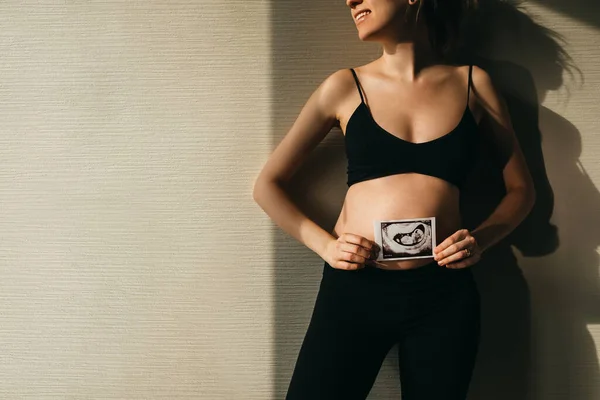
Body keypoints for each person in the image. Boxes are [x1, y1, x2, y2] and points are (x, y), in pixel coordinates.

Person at [253, 0, 536, 399]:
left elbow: (521, 191)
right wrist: (327, 247)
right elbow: (268, 184)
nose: (351, 1)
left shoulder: (473, 83)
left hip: (444, 295)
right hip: (354, 288)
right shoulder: (345, 86)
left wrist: (480, 240)